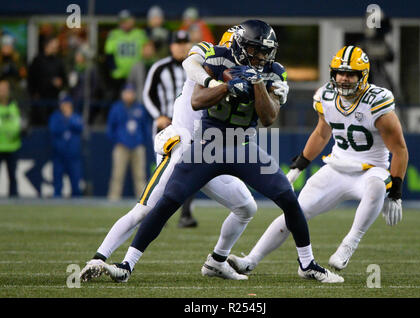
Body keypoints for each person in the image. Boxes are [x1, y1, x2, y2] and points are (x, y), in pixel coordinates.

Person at [88, 20, 343, 284]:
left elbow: (268, 118)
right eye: (257, 50)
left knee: (288, 198)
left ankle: (307, 264)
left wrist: (257, 86)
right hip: (208, 144)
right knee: (168, 200)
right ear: (242, 46)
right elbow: (197, 101)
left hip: (243, 146)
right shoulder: (217, 58)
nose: (263, 56)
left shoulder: (272, 71)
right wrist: (225, 86)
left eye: (266, 51)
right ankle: (127, 264)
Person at [79, 24, 277, 282]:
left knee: (246, 207)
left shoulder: (244, 74)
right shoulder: (210, 58)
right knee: (145, 209)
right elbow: (190, 66)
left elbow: (263, 109)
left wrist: (275, 91)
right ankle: (100, 258)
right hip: (183, 145)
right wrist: (215, 82)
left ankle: (218, 261)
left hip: (210, 154)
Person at [226, 46, 409, 275]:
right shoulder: (327, 96)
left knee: (376, 186)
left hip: (371, 170)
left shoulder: (376, 102)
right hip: (337, 167)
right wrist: (299, 165)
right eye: (340, 72)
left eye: (351, 73)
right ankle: (251, 260)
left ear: (363, 76)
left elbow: (399, 149)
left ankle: (349, 244)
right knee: (295, 211)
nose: (344, 78)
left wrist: (396, 192)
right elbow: (322, 133)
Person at [142, 29, 196, 227]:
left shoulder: (196, 66)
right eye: (178, 43)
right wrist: (158, 116)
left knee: (192, 167)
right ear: (171, 46)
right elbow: (147, 95)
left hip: (190, 126)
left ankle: (186, 214)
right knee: (163, 171)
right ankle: (156, 213)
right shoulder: (159, 67)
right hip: (166, 125)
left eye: (185, 42)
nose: (182, 46)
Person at [106, 83, 150, 201]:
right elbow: (110, 128)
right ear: (123, 94)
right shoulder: (116, 108)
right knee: (117, 175)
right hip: (121, 146)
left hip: (137, 145)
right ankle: (113, 199)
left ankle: (142, 201)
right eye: (127, 93)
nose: (129, 95)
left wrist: (142, 141)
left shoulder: (139, 108)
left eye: (131, 93)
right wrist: (117, 140)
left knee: (140, 175)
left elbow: (145, 127)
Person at [104, 10, 148, 101]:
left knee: (139, 98)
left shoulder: (140, 34)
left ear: (132, 20)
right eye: (122, 21)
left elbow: (148, 52)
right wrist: (114, 70)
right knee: (118, 100)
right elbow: (109, 54)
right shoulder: (114, 34)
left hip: (136, 75)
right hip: (119, 77)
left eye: (127, 20)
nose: (125, 23)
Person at [48, 95, 84, 197]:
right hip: (59, 154)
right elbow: (53, 129)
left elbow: (80, 127)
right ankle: (56, 205)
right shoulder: (55, 117)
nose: (66, 106)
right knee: (58, 183)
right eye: (64, 104)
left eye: (68, 104)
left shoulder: (76, 116)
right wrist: (66, 121)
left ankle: (78, 206)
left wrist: (69, 118)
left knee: (76, 183)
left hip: (73, 155)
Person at [28, 37, 67, 125]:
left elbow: (64, 78)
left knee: (54, 123)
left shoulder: (58, 61)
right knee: (41, 124)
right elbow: (31, 79)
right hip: (40, 100)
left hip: (54, 99)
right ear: (47, 45)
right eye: (54, 45)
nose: (56, 47)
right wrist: (33, 94)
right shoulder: (37, 60)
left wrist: (60, 82)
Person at [0, 79, 23, 197]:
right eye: (1, 89)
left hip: (13, 146)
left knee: (13, 176)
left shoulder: (15, 105)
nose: (2, 92)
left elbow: (21, 123)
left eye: (4, 89)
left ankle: (14, 200)